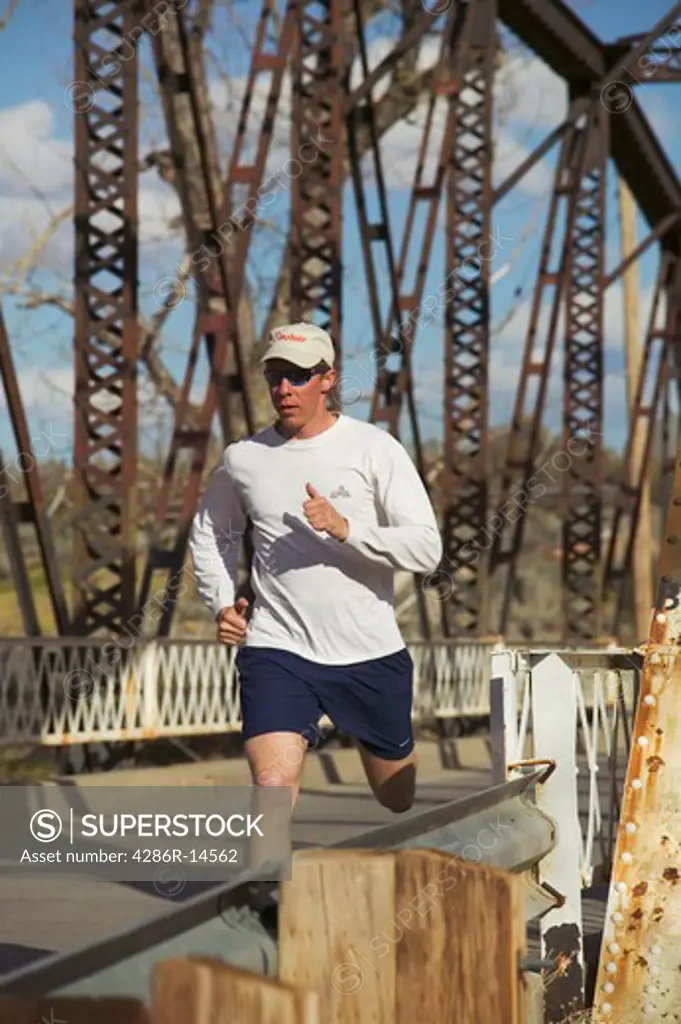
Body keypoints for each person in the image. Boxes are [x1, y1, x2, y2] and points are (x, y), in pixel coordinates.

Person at [189, 321, 442, 815]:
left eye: (299, 375)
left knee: (397, 797)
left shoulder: (374, 448)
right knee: (273, 777)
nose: (284, 388)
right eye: (275, 375)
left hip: (369, 652)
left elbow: (426, 549)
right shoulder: (245, 459)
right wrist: (221, 601)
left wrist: (347, 528)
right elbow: (210, 531)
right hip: (278, 649)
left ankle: (386, 758)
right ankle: (264, 889)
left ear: (328, 379)